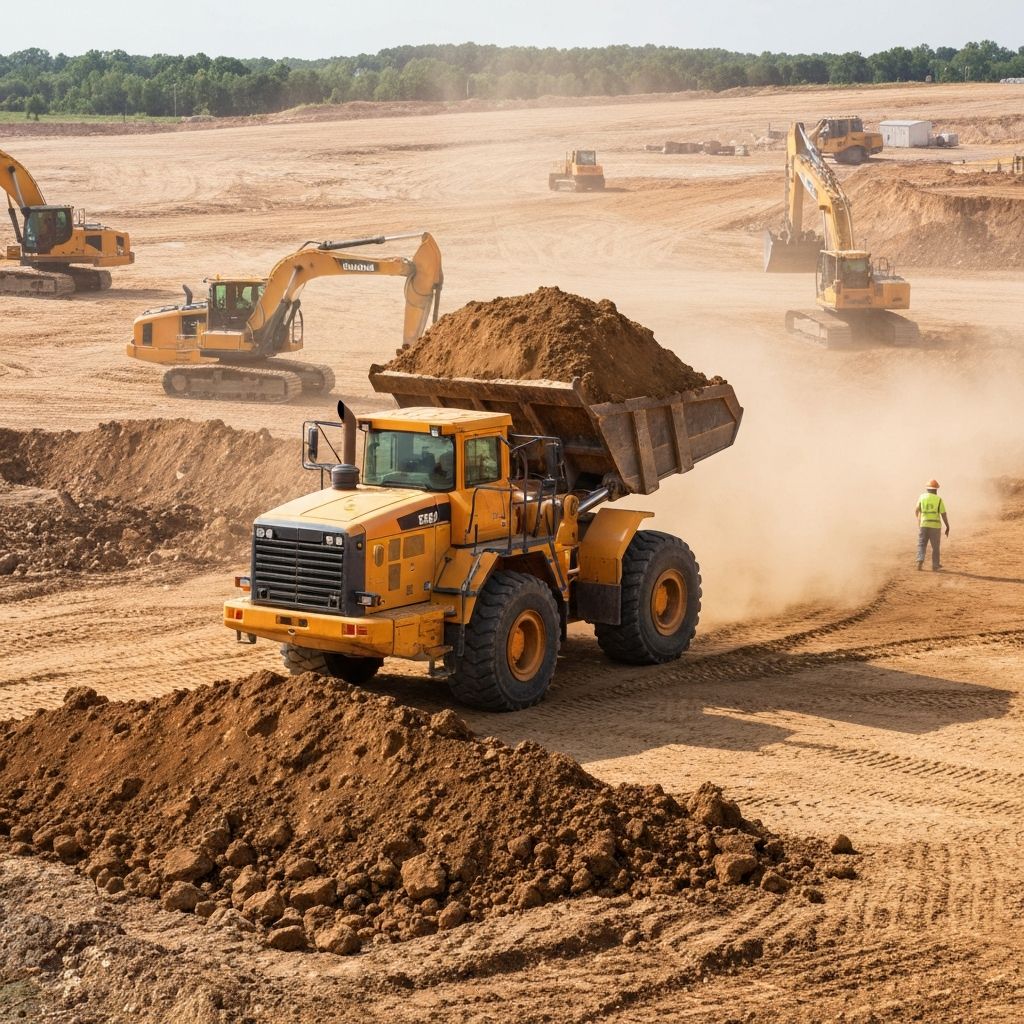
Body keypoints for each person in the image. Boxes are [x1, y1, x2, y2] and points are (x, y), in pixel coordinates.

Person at [915, 479, 949, 571]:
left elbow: (917, 510)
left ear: (927, 489)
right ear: (936, 490)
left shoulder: (922, 497)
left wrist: (919, 520)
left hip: (924, 525)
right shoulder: (938, 499)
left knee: (922, 544)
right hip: (935, 526)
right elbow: (943, 514)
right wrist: (947, 526)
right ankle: (935, 565)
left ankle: (919, 561)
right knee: (935, 546)